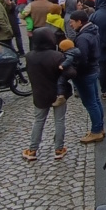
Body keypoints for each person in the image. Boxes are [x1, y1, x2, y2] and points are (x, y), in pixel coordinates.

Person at [23, 27, 70, 161]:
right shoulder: (57, 56)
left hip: (40, 93)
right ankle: (59, 149)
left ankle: (32, 150)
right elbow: (69, 72)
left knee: (39, 121)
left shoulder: (29, 56)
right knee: (59, 121)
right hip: (57, 93)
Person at [69, 10, 105, 143]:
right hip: (93, 69)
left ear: (79, 21)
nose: (71, 25)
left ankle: (96, 131)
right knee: (95, 100)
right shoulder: (93, 31)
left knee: (91, 102)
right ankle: (99, 128)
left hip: (85, 73)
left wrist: (75, 70)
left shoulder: (83, 37)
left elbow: (82, 58)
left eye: (72, 22)